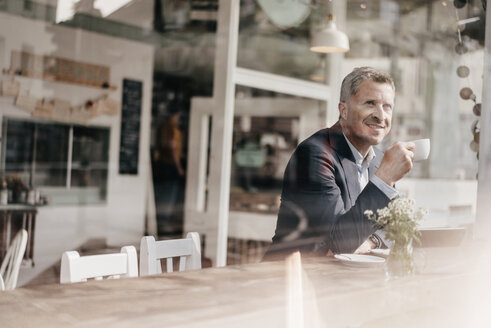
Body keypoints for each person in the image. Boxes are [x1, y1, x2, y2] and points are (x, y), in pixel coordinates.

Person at [263, 67, 415, 261]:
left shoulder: (378, 159)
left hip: (341, 279)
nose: (380, 115)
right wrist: (385, 179)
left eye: (387, 106)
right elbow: (341, 242)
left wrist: (372, 241)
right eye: (370, 103)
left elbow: (397, 226)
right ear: (343, 110)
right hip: (293, 279)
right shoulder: (315, 154)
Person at [153, 104, 185, 235]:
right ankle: (163, 223)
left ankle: (161, 222)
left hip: (161, 163)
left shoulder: (163, 126)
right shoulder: (173, 127)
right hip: (170, 164)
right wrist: (179, 167)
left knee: (162, 193)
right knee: (169, 194)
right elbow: (172, 147)